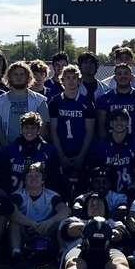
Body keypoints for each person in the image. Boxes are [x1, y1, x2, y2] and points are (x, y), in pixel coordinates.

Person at [7, 163, 69, 269]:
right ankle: (16, 255)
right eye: (30, 176)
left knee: (61, 222)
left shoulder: (52, 195)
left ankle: (61, 253)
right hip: (26, 232)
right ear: (25, 181)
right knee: (14, 223)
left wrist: (49, 221)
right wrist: (32, 224)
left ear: (43, 180)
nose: (34, 178)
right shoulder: (18, 195)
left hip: (46, 232)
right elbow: (12, 213)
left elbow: (66, 210)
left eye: (37, 176)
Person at [48, 63, 96, 194]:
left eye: (74, 77)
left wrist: (81, 155)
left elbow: (90, 131)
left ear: (79, 80)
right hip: (61, 151)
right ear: (61, 80)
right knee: (60, 190)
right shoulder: (55, 102)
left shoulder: (86, 103)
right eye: (67, 77)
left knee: (81, 190)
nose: (71, 81)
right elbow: (53, 130)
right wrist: (61, 156)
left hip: (81, 152)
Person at [0, 61, 51, 147]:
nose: (19, 77)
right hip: (6, 152)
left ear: (28, 77)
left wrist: (32, 147)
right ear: (9, 77)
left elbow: (43, 126)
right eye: (15, 74)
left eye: (22, 74)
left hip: (33, 151)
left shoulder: (40, 100)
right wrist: (9, 150)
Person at [88, 109, 135, 202]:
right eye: (116, 120)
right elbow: (93, 170)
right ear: (111, 123)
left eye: (122, 119)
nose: (119, 123)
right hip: (105, 194)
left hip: (129, 194)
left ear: (127, 123)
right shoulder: (100, 146)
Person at [0, 110, 59, 193]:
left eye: (33, 128)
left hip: (41, 200)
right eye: (26, 127)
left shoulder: (49, 151)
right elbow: (2, 180)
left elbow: (56, 181)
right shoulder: (9, 151)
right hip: (13, 198)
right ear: (21, 128)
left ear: (38, 130)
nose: (29, 131)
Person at [95, 62, 135, 144]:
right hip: (111, 145)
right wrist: (107, 146)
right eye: (119, 74)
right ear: (114, 78)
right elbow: (101, 127)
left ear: (131, 77)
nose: (123, 76)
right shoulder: (104, 98)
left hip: (133, 144)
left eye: (126, 73)